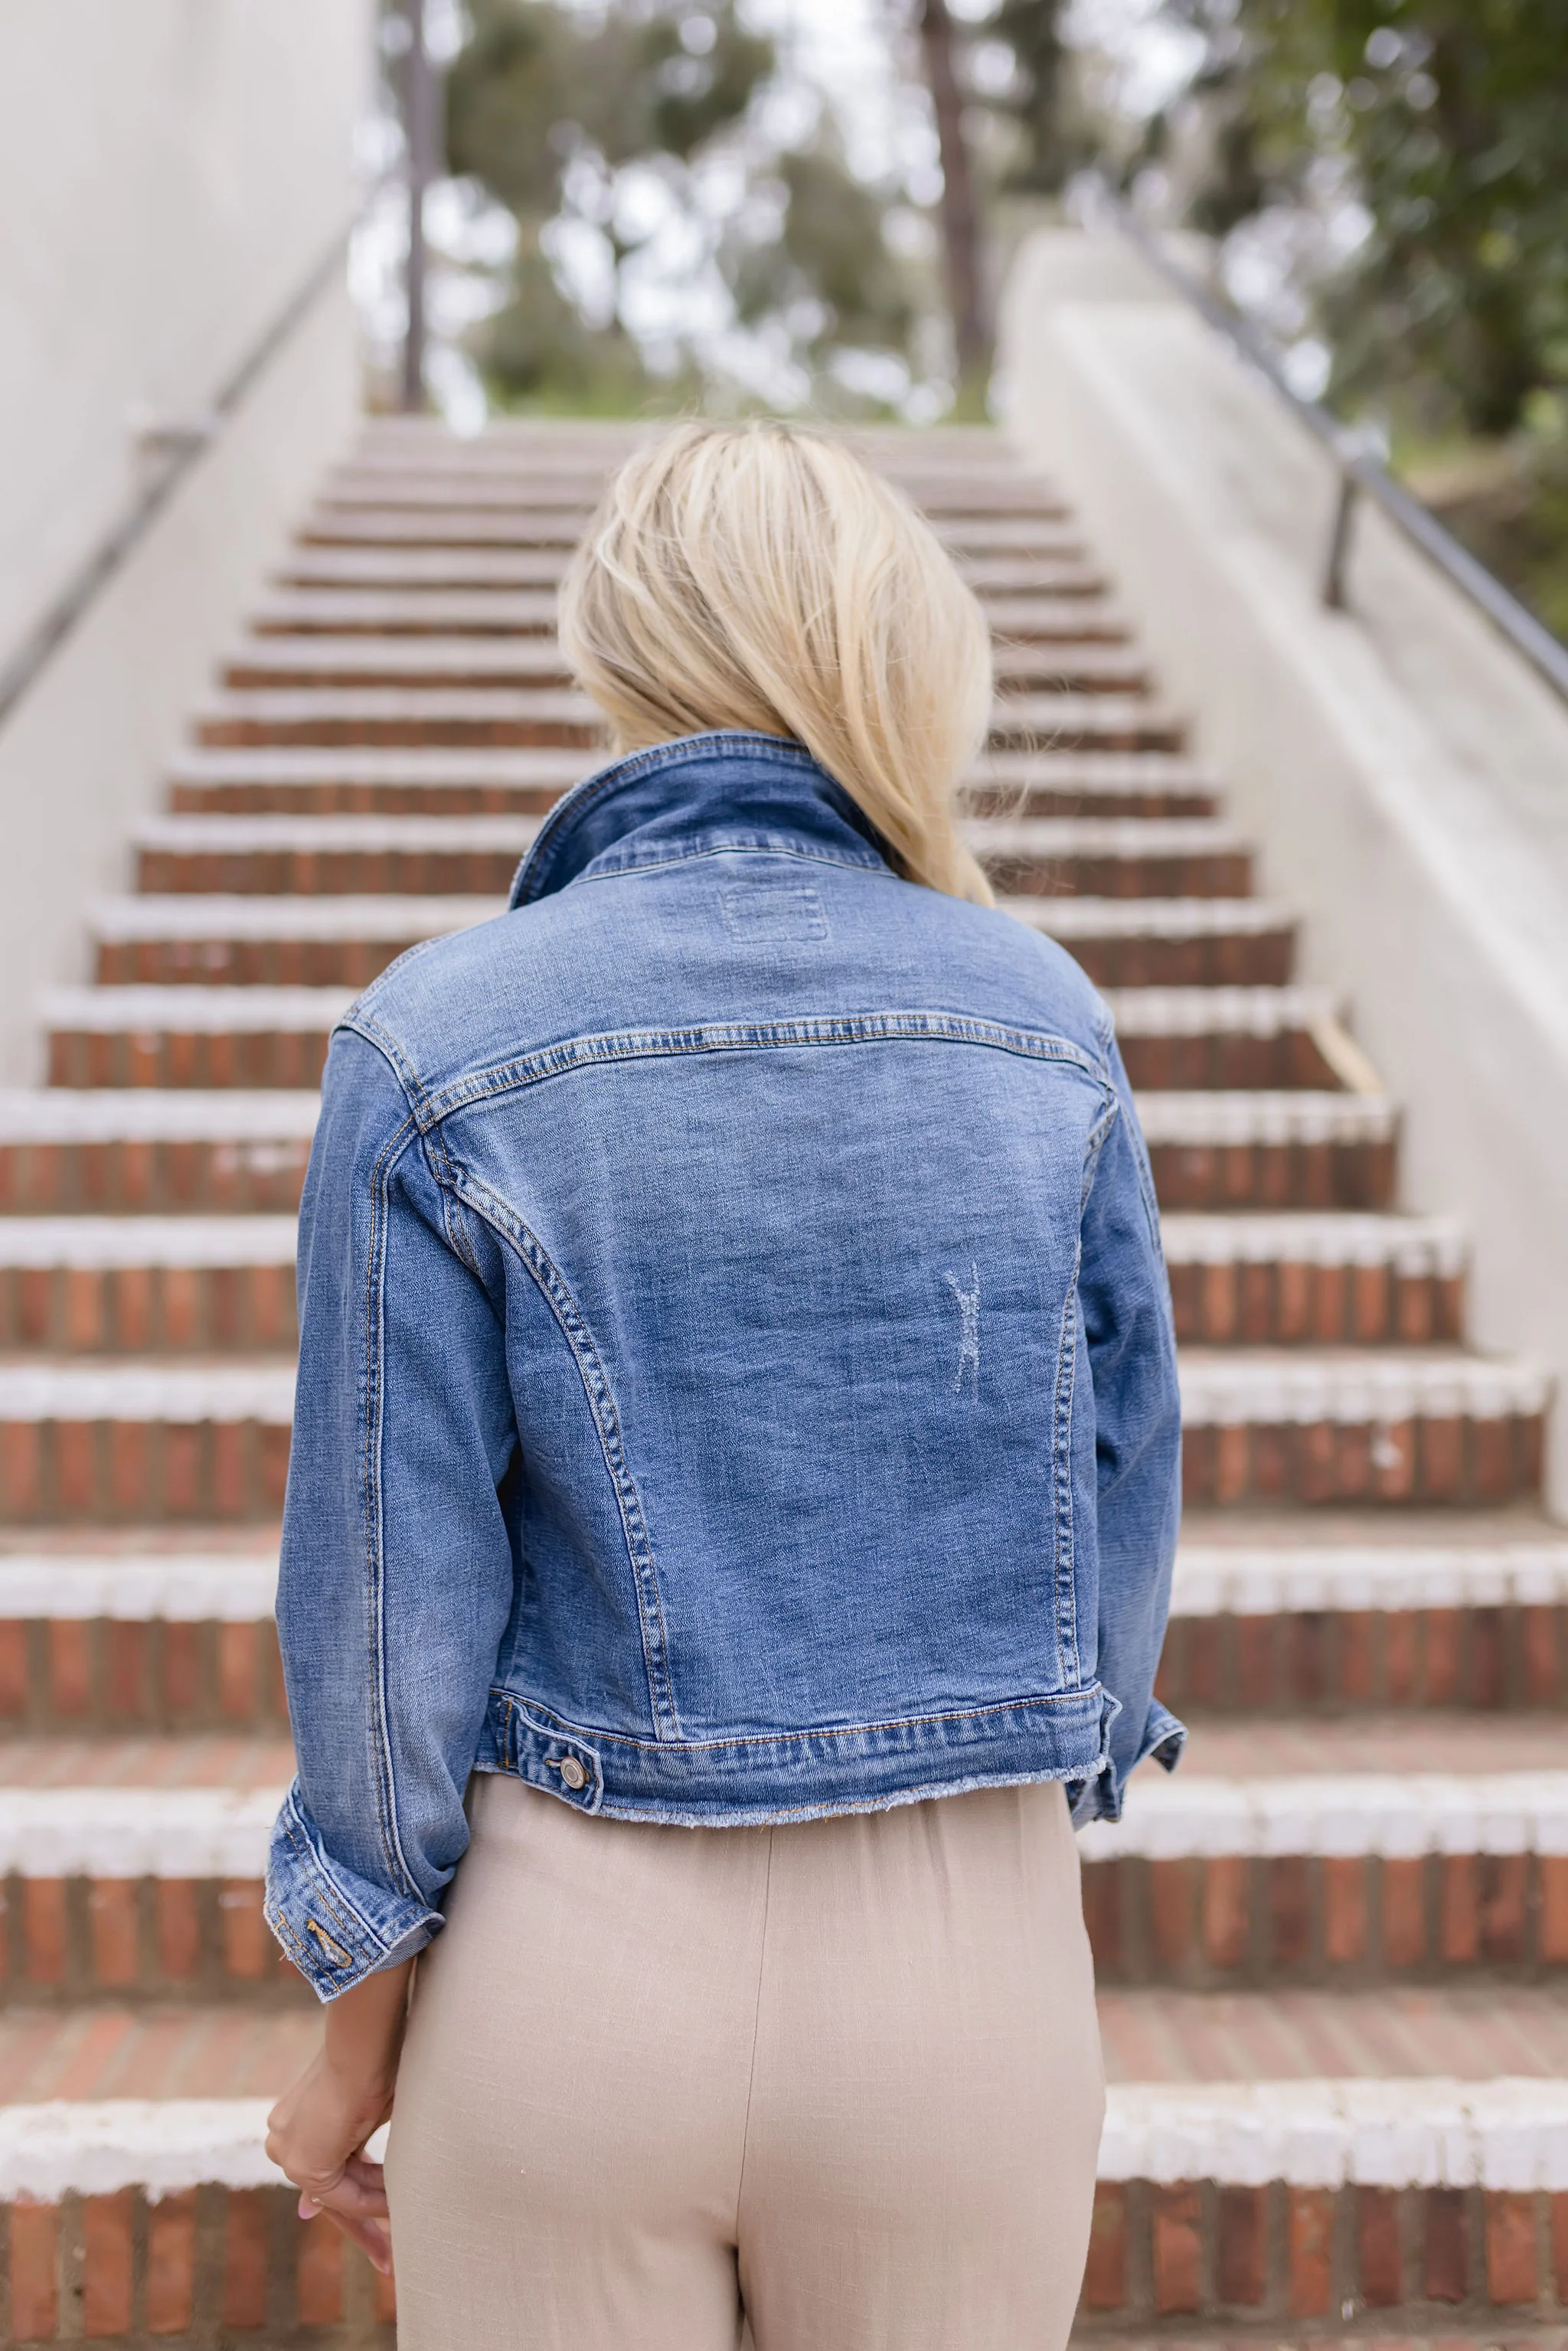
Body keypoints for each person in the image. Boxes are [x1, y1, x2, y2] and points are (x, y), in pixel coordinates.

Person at [263, 418, 1184, 2351]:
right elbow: (1120, 1496)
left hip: (566, 1960)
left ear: (614, 649)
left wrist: (355, 2030)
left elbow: (381, 1624)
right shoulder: (1042, 1015)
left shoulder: (435, 1032)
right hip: (960, 1970)